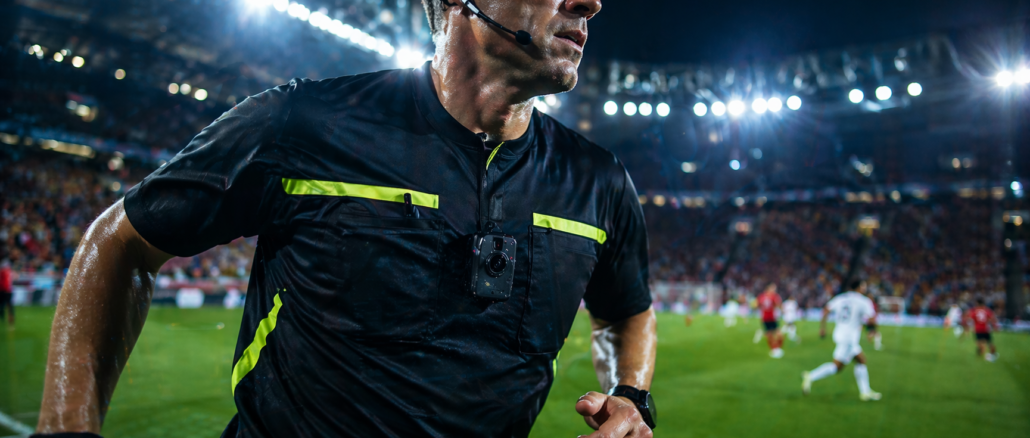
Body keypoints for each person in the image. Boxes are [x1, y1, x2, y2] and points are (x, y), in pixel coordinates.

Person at [34, 0, 660, 437]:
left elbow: (627, 309)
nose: (590, 3)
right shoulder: (303, 124)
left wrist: (631, 393)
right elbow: (121, 243)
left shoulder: (598, 179)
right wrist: (66, 427)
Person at [802, 279, 882, 401]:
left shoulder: (841, 298)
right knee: (839, 366)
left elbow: (825, 310)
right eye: (863, 287)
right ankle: (811, 376)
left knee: (858, 361)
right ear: (859, 288)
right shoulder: (864, 301)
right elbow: (872, 319)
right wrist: (871, 329)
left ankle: (865, 392)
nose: (865, 289)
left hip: (839, 334)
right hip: (849, 339)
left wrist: (822, 328)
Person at [964, 297, 999, 362]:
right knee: (990, 342)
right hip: (986, 329)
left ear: (977, 303)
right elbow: (993, 319)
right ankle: (993, 354)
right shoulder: (987, 310)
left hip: (978, 329)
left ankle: (983, 353)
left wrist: (967, 329)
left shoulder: (975, 311)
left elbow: (969, 319)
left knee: (979, 343)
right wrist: (995, 327)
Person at [754, 284, 784, 358]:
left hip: (773, 318)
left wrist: (780, 307)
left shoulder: (774, 296)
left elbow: (778, 305)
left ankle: (777, 348)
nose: (774, 290)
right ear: (768, 289)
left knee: (780, 335)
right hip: (765, 319)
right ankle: (773, 350)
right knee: (770, 336)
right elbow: (756, 305)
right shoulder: (762, 296)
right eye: (773, 289)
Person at [0, 259, 15, 329]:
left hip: (4, 291)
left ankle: (3, 318)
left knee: (2, 305)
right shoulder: (9, 271)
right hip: (8, 291)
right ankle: (10, 319)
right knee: (9, 306)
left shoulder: (3, 272)